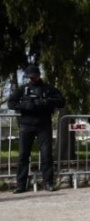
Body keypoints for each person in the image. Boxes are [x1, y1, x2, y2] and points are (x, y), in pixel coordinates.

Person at [7, 64, 65, 193]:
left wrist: (46, 102)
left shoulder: (48, 89)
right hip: (26, 125)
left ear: (39, 76)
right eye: (30, 77)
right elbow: (11, 103)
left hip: (43, 125)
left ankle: (48, 183)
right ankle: (21, 185)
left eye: (34, 76)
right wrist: (25, 105)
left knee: (46, 155)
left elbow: (61, 101)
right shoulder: (23, 89)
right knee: (23, 155)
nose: (32, 79)